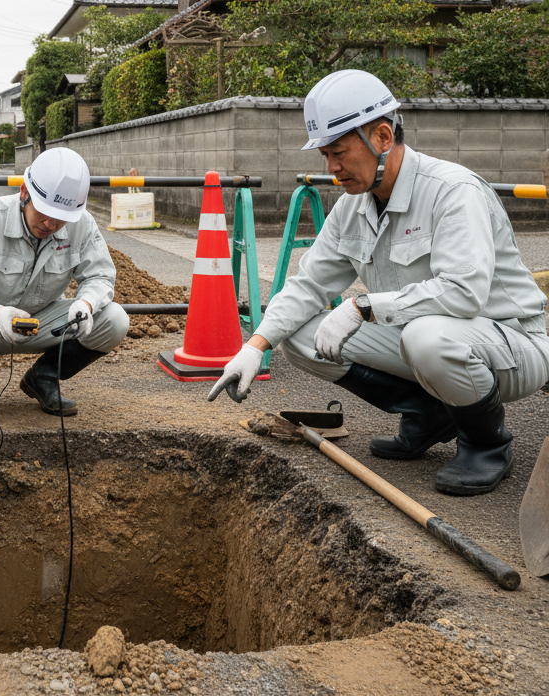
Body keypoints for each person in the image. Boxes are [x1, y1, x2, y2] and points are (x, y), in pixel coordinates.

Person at [208, 69, 549, 496]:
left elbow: (464, 294)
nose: (332, 169)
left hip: (510, 345)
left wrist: (361, 307)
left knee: (428, 336)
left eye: (339, 153)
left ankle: (486, 444)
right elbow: (307, 284)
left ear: (383, 137)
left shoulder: (452, 191)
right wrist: (255, 346)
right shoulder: (352, 207)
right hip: (424, 342)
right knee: (298, 335)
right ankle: (430, 415)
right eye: (324, 156)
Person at [0, 148, 129, 419]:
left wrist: (86, 303)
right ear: (24, 192)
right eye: (45, 212)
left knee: (115, 319)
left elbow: (100, 276)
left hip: (46, 323)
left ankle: (44, 376)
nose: (51, 223)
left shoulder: (82, 225)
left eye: (62, 219)